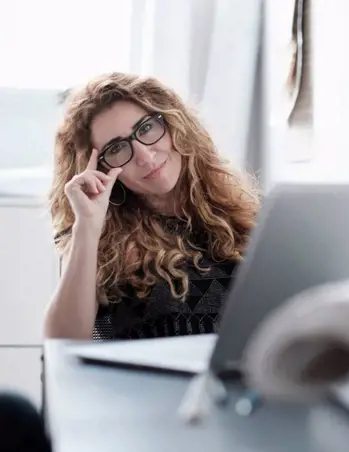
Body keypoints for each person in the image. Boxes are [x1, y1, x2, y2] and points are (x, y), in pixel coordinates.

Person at [43, 72, 260, 340]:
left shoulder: (245, 214)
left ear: (173, 123)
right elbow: (63, 342)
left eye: (146, 129)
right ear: (100, 168)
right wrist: (86, 227)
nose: (145, 157)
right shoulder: (104, 243)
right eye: (117, 148)